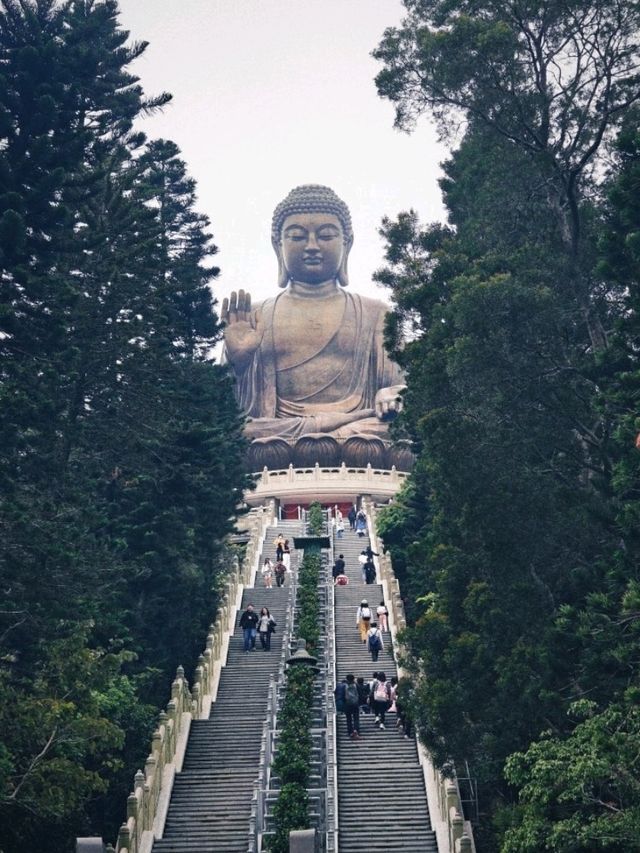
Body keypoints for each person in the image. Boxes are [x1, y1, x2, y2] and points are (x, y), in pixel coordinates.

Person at [221, 185, 405, 452]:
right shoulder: (255, 317)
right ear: (278, 245)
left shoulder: (376, 313)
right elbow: (221, 410)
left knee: (390, 430)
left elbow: (402, 388)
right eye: (296, 236)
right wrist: (237, 363)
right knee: (236, 434)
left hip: (360, 431)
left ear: (347, 243)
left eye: (326, 236)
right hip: (275, 435)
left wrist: (393, 394)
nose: (311, 246)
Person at [343, 673, 362, 740]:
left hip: (347, 704)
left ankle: (350, 731)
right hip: (355, 704)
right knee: (356, 718)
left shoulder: (344, 686)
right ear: (353, 679)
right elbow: (360, 694)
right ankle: (356, 730)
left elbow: (343, 695)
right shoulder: (356, 685)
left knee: (349, 719)